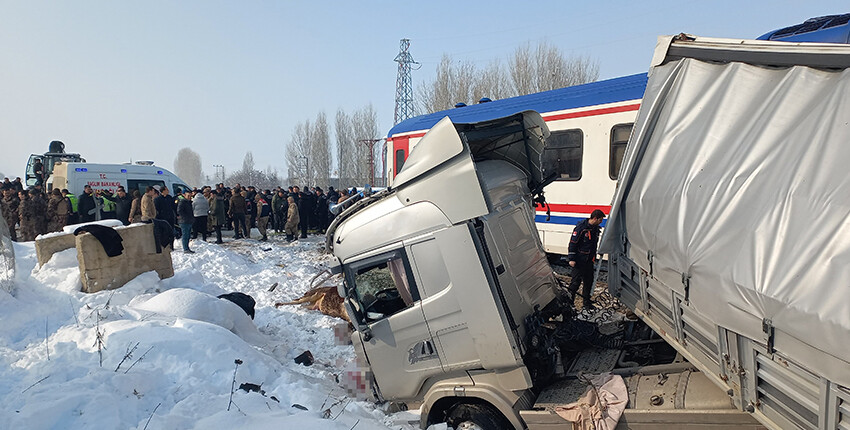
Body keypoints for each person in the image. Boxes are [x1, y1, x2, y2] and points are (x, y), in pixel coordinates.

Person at [567, 209, 605, 310]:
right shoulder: (581, 228)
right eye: (600, 220)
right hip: (579, 260)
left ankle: (586, 304)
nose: (601, 222)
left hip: (589, 260)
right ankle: (569, 303)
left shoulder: (595, 229)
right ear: (595, 218)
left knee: (589, 282)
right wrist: (571, 258)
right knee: (575, 283)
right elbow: (573, 243)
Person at [176, 189, 195, 253]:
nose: (189, 197)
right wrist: (184, 217)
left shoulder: (188, 202)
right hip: (184, 221)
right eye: (188, 196)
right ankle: (185, 248)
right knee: (185, 235)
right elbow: (179, 211)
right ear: (184, 195)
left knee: (188, 235)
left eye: (190, 196)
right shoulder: (182, 202)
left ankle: (187, 247)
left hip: (189, 220)